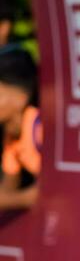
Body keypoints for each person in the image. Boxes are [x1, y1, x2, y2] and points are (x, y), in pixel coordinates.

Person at [0, 48, 41, 211]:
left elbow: (49, 191)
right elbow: (9, 186)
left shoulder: (37, 123)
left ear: (21, 95)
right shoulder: (11, 135)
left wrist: (14, 200)